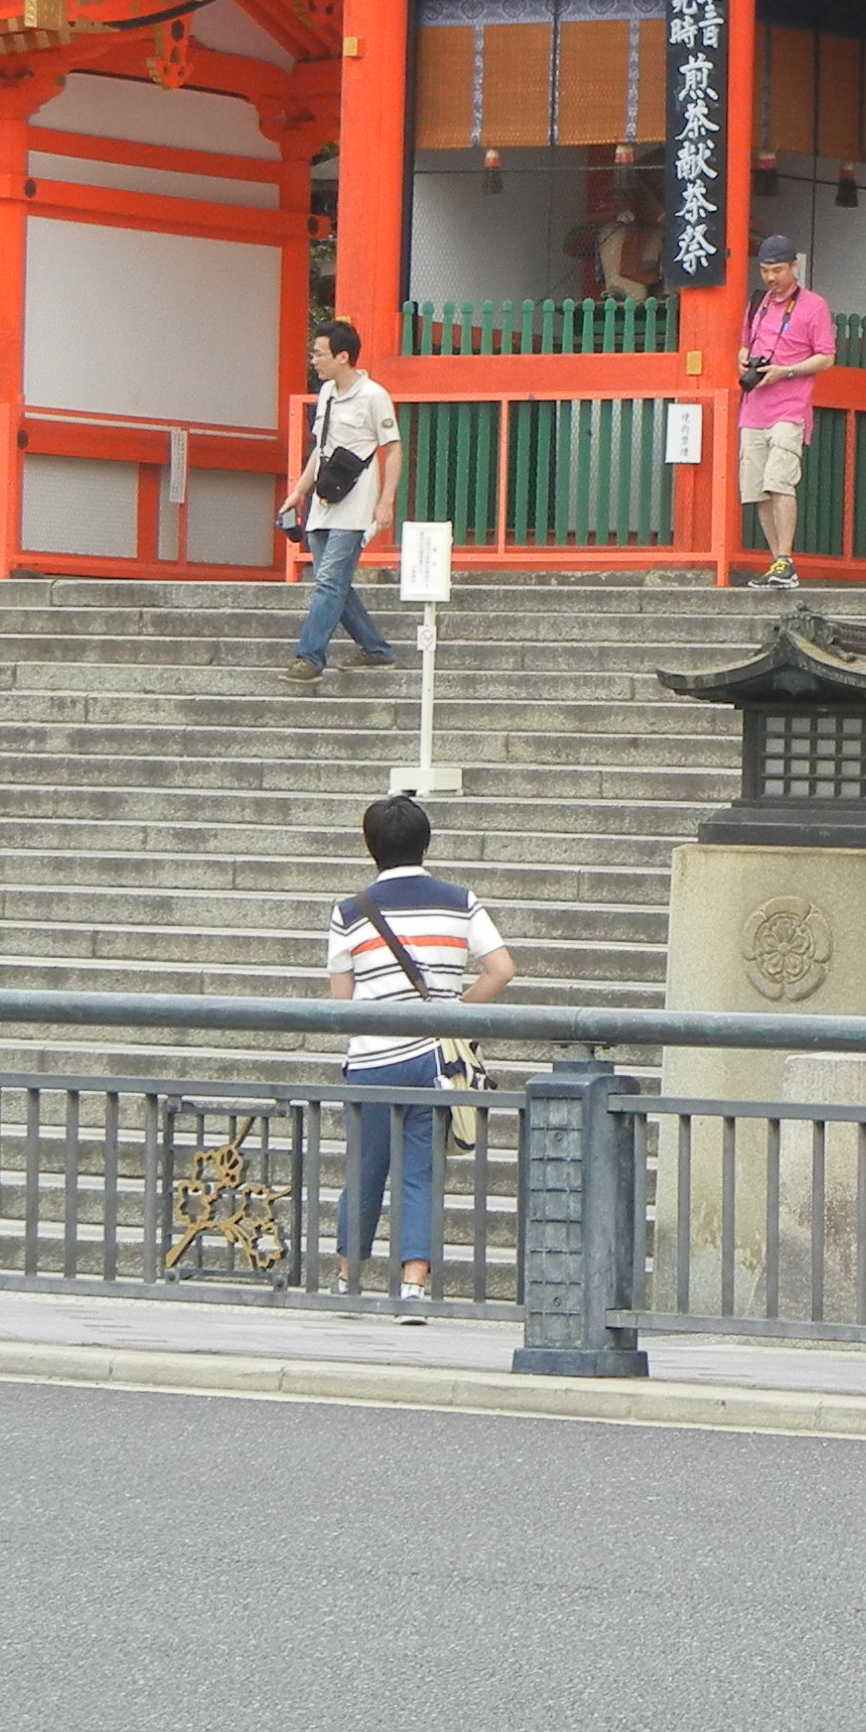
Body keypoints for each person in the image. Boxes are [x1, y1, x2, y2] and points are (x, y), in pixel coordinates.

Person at [323, 792, 515, 1317]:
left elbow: (343, 1003)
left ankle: (348, 1277)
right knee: (420, 1173)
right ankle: (413, 1286)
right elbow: (501, 969)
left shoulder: (349, 913)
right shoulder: (460, 900)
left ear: (371, 848)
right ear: (425, 843)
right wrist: (453, 1011)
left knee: (364, 1169)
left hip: (370, 1060)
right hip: (434, 1059)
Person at [284, 319, 403, 685]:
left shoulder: (374, 396)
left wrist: (386, 502)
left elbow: (393, 447)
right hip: (324, 499)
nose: (314, 360)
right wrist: (299, 491)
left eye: (319, 353)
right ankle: (376, 649)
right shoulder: (327, 395)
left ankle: (310, 657)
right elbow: (319, 449)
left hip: (356, 504)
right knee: (333, 582)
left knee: (330, 583)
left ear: (343, 356)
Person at [737, 231, 835, 589]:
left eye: (777, 270)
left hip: (789, 408)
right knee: (757, 488)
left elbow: (827, 357)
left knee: (780, 481)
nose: (770, 278)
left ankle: (785, 559)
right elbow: (744, 345)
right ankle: (777, 561)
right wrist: (744, 360)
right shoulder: (758, 302)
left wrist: (786, 371)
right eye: (765, 270)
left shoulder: (814, 306)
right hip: (753, 409)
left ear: (795, 267)